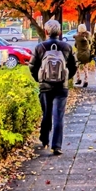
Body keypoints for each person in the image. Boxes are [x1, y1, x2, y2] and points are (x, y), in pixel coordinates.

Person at [29, 19, 77, 155]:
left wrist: (39, 79)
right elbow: (73, 66)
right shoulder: (67, 47)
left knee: (46, 113)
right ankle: (57, 146)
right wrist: (66, 78)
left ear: (46, 31)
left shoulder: (40, 47)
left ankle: (44, 139)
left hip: (45, 85)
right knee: (59, 116)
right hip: (61, 86)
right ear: (60, 32)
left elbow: (32, 66)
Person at [73, 24, 92, 88]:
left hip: (79, 54)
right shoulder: (88, 35)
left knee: (76, 66)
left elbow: (75, 45)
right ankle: (86, 80)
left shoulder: (77, 37)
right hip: (86, 54)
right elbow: (90, 42)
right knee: (85, 68)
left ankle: (78, 79)